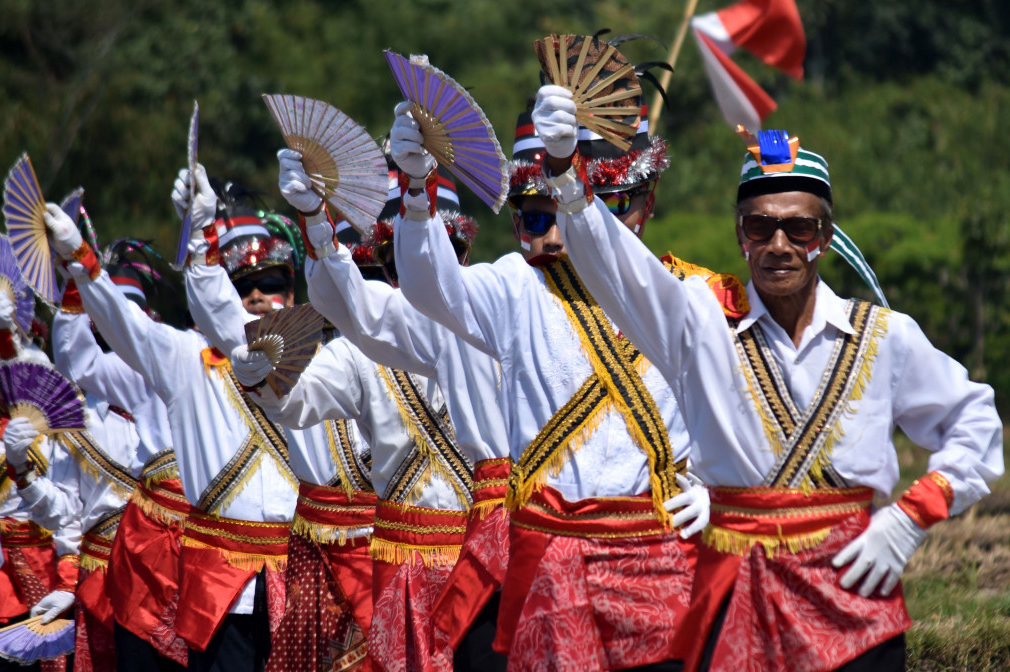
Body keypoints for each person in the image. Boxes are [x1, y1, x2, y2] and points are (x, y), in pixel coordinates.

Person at [539, 101, 1005, 671]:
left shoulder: (883, 336)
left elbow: (975, 423)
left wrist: (909, 519)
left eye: (798, 227)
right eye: (760, 226)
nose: (778, 244)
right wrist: (565, 172)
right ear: (741, 235)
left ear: (825, 237)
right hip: (738, 592)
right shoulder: (700, 322)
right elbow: (615, 267)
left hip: (855, 589)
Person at [392, 92, 710, 671]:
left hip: (659, 552)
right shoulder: (520, 286)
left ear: (647, 200)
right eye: (538, 216)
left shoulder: (689, 296)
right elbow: (429, 287)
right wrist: (416, 196)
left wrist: (719, 490)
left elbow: (740, 412)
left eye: (609, 204)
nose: (561, 232)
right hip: (549, 560)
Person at [41, 182, 299, 671]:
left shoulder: (317, 363)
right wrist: (82, 264)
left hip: (298, 576)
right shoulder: (187, 359)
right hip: (219, 585)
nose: (261, 299)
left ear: (293, 292)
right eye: (244, 287)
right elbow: (125, 326)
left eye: (274, 285)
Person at [271, 149, 511, 671]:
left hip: (491, 555)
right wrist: (316, 224)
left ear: (464, 255)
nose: (429, 266)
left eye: (450, 250)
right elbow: (296, 396)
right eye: (407, 256)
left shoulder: (498, 315)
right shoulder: (363, 344)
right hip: (405, 568)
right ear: (389, 261)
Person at [172, 171, 378, 672]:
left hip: (386, 554)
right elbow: (231, 327)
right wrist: (199, 238)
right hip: (318, 561)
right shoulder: (297, 351)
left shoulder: (400, 343)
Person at [54, 244, 189, 671]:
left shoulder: (191, 353)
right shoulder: (143, 371)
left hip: (216, 548)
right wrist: (77, 287)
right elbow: (77, 360)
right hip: (147, 550)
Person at [0, 291, 77, 672]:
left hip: (52, 558)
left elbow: (72, 507)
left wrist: (68, 573)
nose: (0, 368)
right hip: (0, 565)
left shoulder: (57, 426)